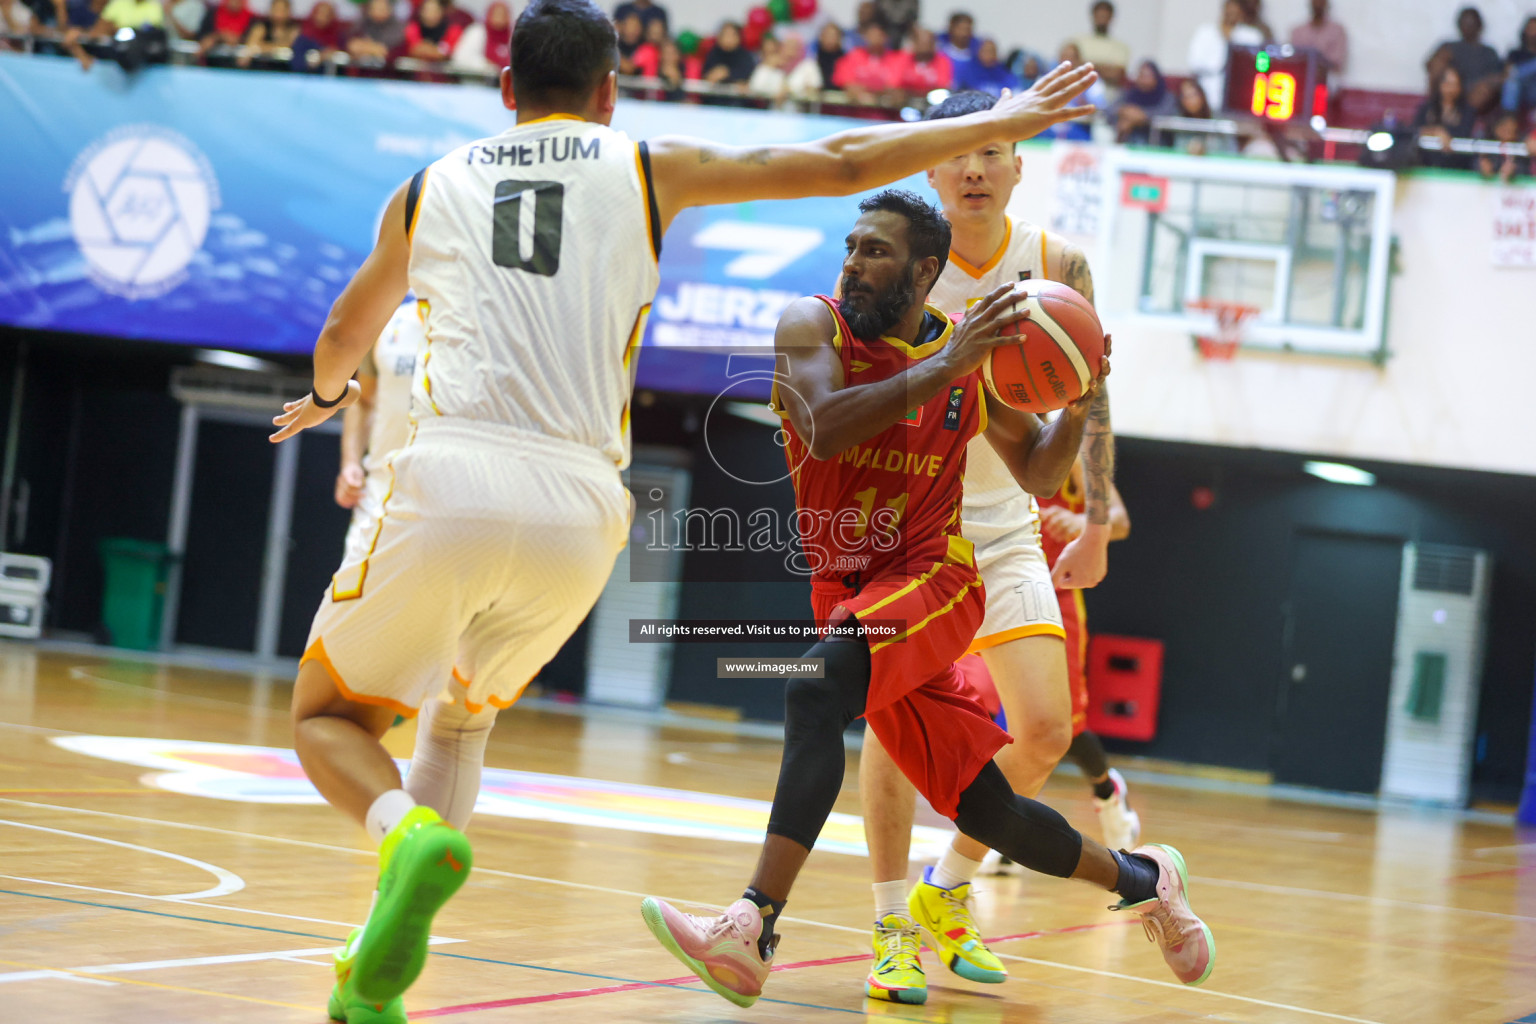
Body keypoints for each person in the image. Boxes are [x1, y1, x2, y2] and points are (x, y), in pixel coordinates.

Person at [267, 0, 1102, 1015]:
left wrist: (321, 397)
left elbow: (344, 332)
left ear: (503, 88)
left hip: (450, 472)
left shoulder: (427, 187)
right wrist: (992, 122)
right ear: (611, 94)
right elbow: (844, 160)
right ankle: (374, 967)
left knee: (326, 717)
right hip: (581, 512)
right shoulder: (644, 166)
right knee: (462, 712)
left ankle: (409, 837)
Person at [640, 189, 1213, 1009]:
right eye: (851, 246)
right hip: (844, 585)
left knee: (815, 690)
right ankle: (1145, 878)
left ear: (925, 270)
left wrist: (1079, 393)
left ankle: (753, 924)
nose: (852, 263)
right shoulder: (814, 326)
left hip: (934, 575)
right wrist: (946, 367)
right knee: (991, 809)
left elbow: (1040, 473)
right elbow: (825, 425)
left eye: (875, 251)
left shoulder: (964, 361)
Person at [849, 88, 1124, 1003]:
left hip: (1006, 526)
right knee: (896, 738)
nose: (975, 166)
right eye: (960, 151)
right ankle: (892, 927)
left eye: (995, 150)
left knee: (1045, 729)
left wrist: (1096, 516)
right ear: (932, 164)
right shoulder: (897, 262)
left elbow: (1093, 388)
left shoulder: (1058, 264)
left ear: (1018, 166)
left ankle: (946, 887)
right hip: (911, 529)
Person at [334, 301, 424, 575]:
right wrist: (350, 463)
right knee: (347, 611)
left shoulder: (476, 329)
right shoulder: (388, 321)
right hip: (379, 496)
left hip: (447, 502)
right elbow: (363, 401)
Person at [1187, 0, 1262, 116]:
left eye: (1236, 11)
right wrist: (1221, 61)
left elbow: (1256, 66)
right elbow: (1194, 63)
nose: (1231, 14)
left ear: (1242, 13)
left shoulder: (1251, 36)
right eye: (1229, 10)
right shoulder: (1205, 32)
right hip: (1207, 97)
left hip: (1239, 98)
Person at [1427, 7, 1503, 114]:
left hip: (1477, 93)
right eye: (1464, 22)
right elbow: (1430, 66)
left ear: (1479, 25)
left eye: (1471, 23)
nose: (1467, 26)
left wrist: (1483, 83)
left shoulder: (1489, 51)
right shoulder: (1448, 46)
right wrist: (1442, 59)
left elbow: (1498, 76)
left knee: (1483, 89)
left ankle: (1466, 117)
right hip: (1451, 88)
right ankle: (1433, 109)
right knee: (1438, 62)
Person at [833, 21, 909, 106]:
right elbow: (848, 84)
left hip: (887, 111)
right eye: (871, 35)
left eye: (878, 35)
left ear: (886, 37)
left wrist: (872, 93)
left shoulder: (897, 59)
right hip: (857, 109)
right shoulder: (854, 55)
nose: (874, 39)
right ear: (865, 37)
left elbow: (894, 89)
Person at [1415, 66, 1476, 170]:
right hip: (1425, 166)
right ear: (1440, 85)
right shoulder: (1427, 108)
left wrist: (1447, 137)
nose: (1451, 89)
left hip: (1455, 168)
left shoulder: (1467, 111)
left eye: (1455, 84)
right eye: (1448, 84)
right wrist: (1435, 131)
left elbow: (1464, 135)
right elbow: (1414, 131)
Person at [1071, 0, 1128, 92]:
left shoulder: (1121, 47)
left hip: (1110, 95)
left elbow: (1116, 74)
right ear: (1093, 16)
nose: (1102, 20)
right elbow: (1074, 67)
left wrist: (1088, 65)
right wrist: (1105, 68)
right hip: (1080, 92)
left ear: (1111, 18)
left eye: (1105, 17)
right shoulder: (1078, 41)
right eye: (1099, 16)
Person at [1112, 60, 1173, 144]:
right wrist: (1124, 111)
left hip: (1158, 143)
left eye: (1147, 76)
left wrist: (1142, 116)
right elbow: (1109, 109)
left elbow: (1166, 115)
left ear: (1156, 78)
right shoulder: (1129, 93)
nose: (1143, 80)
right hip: (1128, 142)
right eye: (1141, 75)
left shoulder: (1167, 96)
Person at [1289, 0, 1347, 82]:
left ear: (1326, 5)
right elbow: (1293, 58)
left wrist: (1318, 67)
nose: (1318, 5)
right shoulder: (1298, 31)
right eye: (1315, 2)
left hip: (1326, 77)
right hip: (1301, 75)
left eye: (1321, 2)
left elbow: (1337, 62)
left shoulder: (1337, 30)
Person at [448, 0, 510, 74]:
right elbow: (460, 58)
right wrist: (488, 65)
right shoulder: (477, 31)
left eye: (504, 14)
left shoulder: (512, 34)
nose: (500, 17)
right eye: (497, 14)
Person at [1477, 109, 1531, 183]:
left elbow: (1526, 169)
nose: (1509, 135)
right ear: (1496, 129)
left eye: (1513, 131)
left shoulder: (1522, 148)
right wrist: (1483, 169)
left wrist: (1514, 171)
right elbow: (1471, 164)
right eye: (1506, 130)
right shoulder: (1487, 147)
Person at [901, 26, 953, 100]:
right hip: (906, 102)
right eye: (921, 42)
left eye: (928, 42)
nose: (925, 45)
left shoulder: (942, 61)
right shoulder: (903, 59)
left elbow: (942, 87)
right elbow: (895, 85)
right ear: (914, 43)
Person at [956, 37, 1020, 97]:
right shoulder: (968, 70)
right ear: (978, 52)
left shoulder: (1003, 72)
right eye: (985, 51)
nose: (988, 54)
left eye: (992, 51)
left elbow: (1014, 89)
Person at [700, 19, 754, 88]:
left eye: (732, 35)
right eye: (725, 35)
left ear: (739, 37)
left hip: (737, 97)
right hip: (715, 96)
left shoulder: (745, 56)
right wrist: (710, 77)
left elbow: (748, 77)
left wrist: (728, 73)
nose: (728, 39)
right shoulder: (713, 54)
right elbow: (705, 78)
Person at [1500, 16, 1536, 113]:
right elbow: (1507, 74)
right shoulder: (1515, 53)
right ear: (1525, 31)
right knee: (1511, 81)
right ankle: (1508, 116)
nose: (1533, 33)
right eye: (1531, 29)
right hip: (1520, 90)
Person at [938, 10, 978, 84]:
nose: (964, 34)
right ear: (951, 28)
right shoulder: (939, 51)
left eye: (968, 29)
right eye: (961, 29)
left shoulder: (977, 53)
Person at [813, 19, 845, 88]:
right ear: (821, 37)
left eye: (833, 36)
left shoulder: (845, 60)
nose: (830, 39)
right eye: (827, 35)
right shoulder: (813, 57)